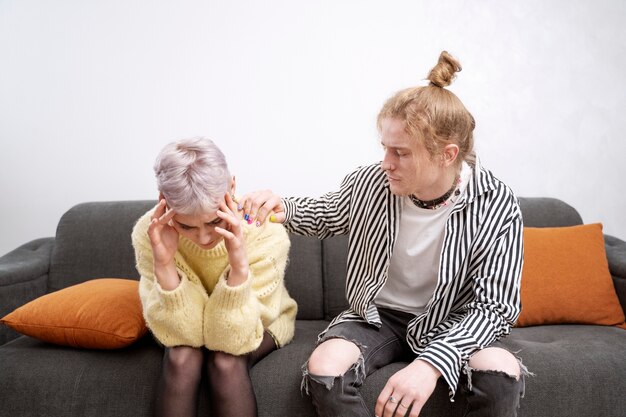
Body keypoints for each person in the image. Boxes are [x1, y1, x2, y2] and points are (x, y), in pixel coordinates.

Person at [239, 51, 528, 417]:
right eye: (384, 148)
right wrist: (282, 207)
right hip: (379, 316)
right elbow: (327, 213)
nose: (386, 163)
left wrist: (430, 364)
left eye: (401, 152)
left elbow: (494, 308)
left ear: (446, 154)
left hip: (455, 318)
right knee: (325, 368)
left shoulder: (495, 201)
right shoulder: (372, 182)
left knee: (500, 373)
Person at [131, 137, 297, 417]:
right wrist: (164, 264)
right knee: (182, 358)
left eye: (214, 221)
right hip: (185, 325)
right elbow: (182, 335)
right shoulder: (151, 233)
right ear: (163, 200)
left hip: (258, 322)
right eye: (186, 226)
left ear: (232, 187)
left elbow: (231, 340)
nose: (204, 237)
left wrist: (238, 265)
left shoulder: (264, 232)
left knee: (225, 362)